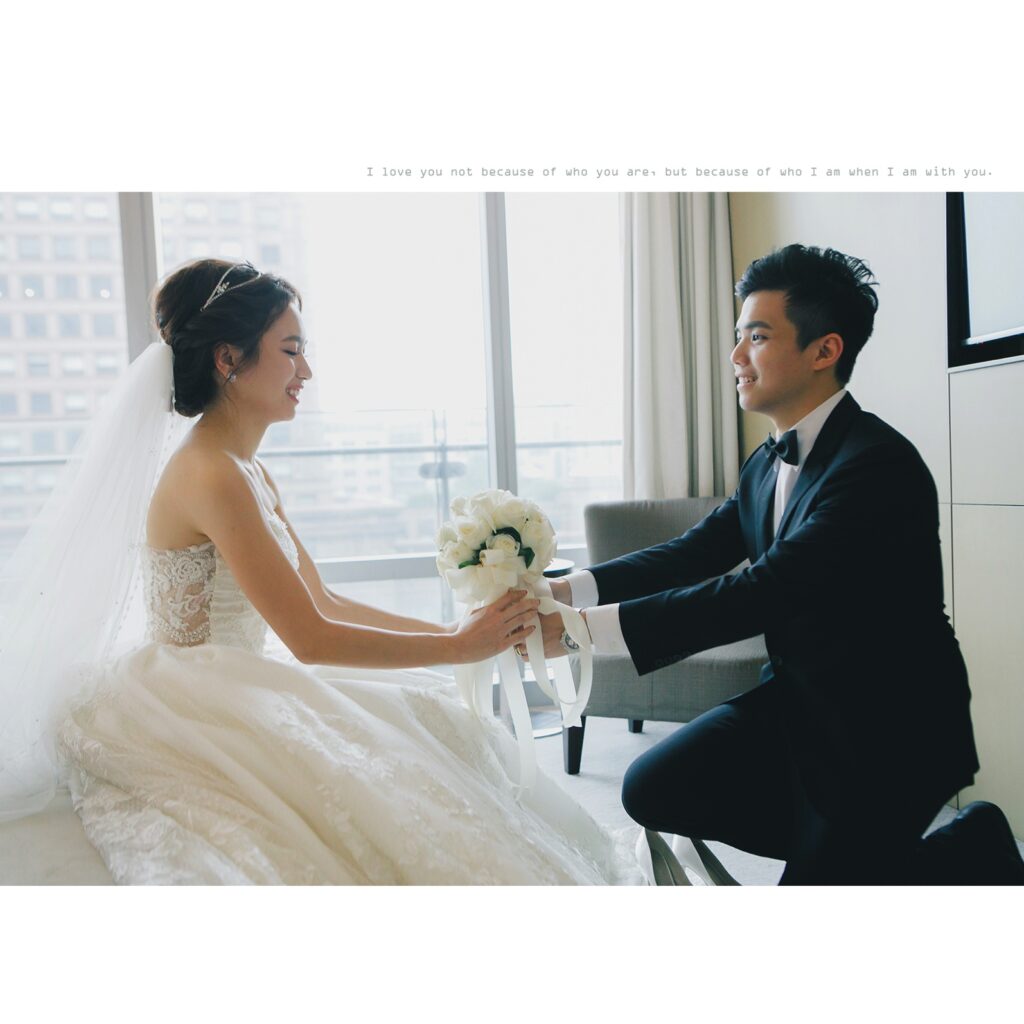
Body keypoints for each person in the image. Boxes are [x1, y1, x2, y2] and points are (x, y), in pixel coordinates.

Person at [0, 258, 643, 884]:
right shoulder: (211, 474)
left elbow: (324, 600)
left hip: (243, 674)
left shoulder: (246, 468)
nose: (305, 371)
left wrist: (452, 631)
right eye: (290, 351)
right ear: (228, 359)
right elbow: (309, 638)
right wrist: (455, 648)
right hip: (198, 694)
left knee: (427, 718)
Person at [536, 244, 1024, 885]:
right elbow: (695, 552)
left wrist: (580, 632)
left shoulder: (877, 466)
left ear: (825, 350)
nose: (736, 356)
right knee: (651, 786)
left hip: (891, 726)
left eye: (758, 337)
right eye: (739, 336)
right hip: (798, 702)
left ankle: (955, 847)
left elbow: (762, 591)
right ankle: (888, 858)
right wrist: (567, 591)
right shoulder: (766, 463)